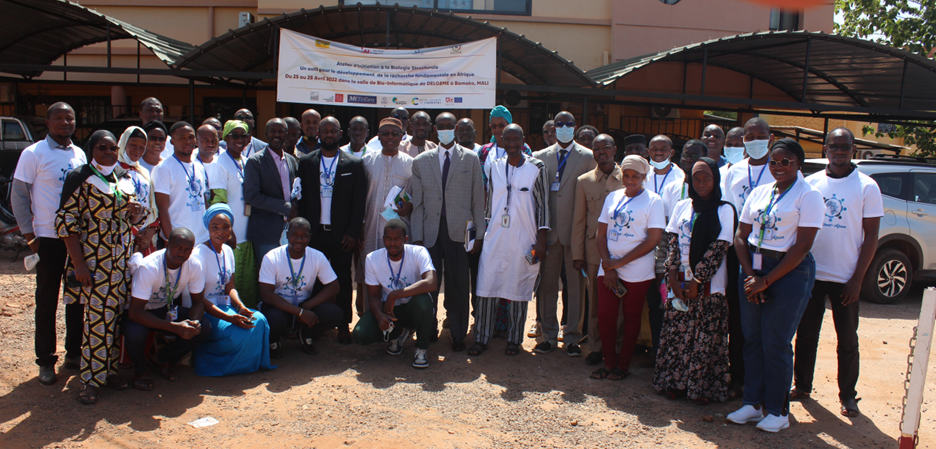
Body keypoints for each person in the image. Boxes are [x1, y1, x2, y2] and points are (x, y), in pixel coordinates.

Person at [727, 138, 823, 433]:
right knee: (752, 337)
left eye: (786, 162)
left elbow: (803, 245)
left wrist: (767, 280)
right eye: (774, 162)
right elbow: (741, 236)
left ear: (799, 164)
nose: (779, 166)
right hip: (755, 268)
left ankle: (778, 411)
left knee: (776, 341)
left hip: (789, 272)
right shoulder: (759, 192)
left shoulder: (808, 196)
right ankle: (752, 404)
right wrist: (751, 276)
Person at [792, 128, 883, 418]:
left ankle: (848, 396)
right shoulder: (812, 182)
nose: (839, 151)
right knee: (806, 335)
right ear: (826, 148)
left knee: (847, 340)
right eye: (834, 146)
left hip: (846, 277)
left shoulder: (867, 187)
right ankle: (802, 386)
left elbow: (871, 238)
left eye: (845, 147)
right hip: (811, 274)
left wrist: (858, 279)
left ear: (853, 149)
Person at [56, 130, 143, 403]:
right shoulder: (81, 179)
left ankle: (109, 372)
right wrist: (79, 265)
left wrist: (135, 213)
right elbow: (65, 224)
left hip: (120, 263)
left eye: (113, 148)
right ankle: (89, 381)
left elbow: (127, 219)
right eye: (102, 148)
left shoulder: (122, 178)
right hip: (94, 264)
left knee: (115, 319)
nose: (108, 152)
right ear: (92, 149)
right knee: (96, 322)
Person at [11, 102, 87, 385]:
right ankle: (45, 361)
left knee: (76, 299)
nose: (65, 123)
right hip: (47, 239)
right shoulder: (33, 154)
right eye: (59, 118)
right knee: (46, 301)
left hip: (76, 241)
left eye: (70, 118)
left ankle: (73, 354)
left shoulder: (79, 153)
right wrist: (30, 237)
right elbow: (18, 197)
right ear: (48, 122)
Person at [653, 156, 736, 404]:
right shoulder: (682, 206)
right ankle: (675, 384)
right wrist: (672, 277)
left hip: (709, 287)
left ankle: (700, 388)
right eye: (696, 178)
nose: (701, 183)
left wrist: (697, 281)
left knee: (704, 337)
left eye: (706, 178)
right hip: (679, 284)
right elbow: (673, 244)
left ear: (715, 179)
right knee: (678, 335)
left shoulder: (725, 210)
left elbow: (718, 249)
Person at [471, 124, 549, 357]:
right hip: (495, 238)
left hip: (524, 240)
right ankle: (481, 337)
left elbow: (543, 205)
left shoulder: (537, 167)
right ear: (501, 141)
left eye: (516, 139)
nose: (512, 144)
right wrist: (482, 234)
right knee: (486, 286)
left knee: (518, 286)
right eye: (508, 140)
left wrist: (541, 240)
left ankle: (514, 340)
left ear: (523, 140)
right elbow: (490, 204)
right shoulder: (494, 167)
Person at [411, 112, 486, 352]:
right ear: (435, 129)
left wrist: (478, 236)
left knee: (459, 285)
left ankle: (457, 333)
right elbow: (418, 203)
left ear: (455, 129)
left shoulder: (471, 158)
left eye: (449, 126)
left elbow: (478, 200)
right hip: (430, 231)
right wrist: (417, 237)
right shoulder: (421, 161)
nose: (445, 129)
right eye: (441, 126)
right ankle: (428, 328)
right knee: (429, 283)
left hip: (459, 231)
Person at [590, 155, 664, 381]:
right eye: (627, 175)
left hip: (637, 270)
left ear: (644, 177)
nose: (630, 180)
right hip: (609, 267)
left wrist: (618, 263)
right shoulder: (612, 197)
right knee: (605, 315)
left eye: (636, 176)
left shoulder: (654, 201)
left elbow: (653, 240)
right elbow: (600, 234)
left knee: (631, 317)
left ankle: (623, 365)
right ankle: (608, 362)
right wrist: (609, 266)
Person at [296, 116, 368, 345]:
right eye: (324, 131)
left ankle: (344, 324)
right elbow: (302, 198)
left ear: (340, 134)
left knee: (343, 280)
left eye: (333, 131)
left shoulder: (353, 164)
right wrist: (304, 233)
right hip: (315, 234)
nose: (328, 135)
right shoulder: (306, 162)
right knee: (314, 280)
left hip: (342, 236)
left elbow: (359, 203)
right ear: (318, 133)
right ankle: (316, 324)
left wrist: (353, 232)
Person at [532, 111, 596, 356]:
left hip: (575, 232)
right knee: (547, 286)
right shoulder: (538, 157)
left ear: (575, 127)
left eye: (568, 124)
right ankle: (548, 334)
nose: (563, 128)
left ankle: (572, 337)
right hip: (548, 232)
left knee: (575, 286)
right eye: (559, 124)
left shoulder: (588, 157)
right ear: (553, 128)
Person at [721, 118, 776, 400]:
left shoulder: (780, 169)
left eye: (760, 135)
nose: (754, 140)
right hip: (737, 250)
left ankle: (768, 382)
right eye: (749, 136)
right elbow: (727, 209)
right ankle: (739, 378)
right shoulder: (733, 171)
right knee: (740, 315)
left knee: (769, 317)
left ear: (770, 137)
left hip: (769, 253)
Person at [190, 204, 276, 375]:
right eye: (215, 227)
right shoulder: (198, 255)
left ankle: (247, 366)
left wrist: (241, 307)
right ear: (208, 228)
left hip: (226, 307)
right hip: (206, 310)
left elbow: (230, 288)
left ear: (231, 229)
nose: (220, 232)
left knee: (258, 320)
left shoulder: (228, 251)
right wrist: (229, 318)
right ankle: (205, 360)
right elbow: (199, 299)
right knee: (234, 334)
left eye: (225, 227)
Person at [126, 227, 212, 390]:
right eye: (177, 248)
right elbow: (134, 312)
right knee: (135, 333)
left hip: (163, 309)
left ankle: (162, 359)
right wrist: (175, 328)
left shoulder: (194, 265)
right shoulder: (149, 267)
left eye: (187, 250)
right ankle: (140, 371)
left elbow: (198, 302)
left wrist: (192, 323)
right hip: (140, 312)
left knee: (204, 327)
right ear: (167, 245)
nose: (182, 253)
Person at [353, 219, 438, 368]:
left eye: (397, 239)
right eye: (389, 239)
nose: (392, 243)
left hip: (413, 309)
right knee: (360, 334)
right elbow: (373, 295)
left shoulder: (418, 252)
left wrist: (395, 294)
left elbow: (431, 282)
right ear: (383, 239)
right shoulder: (372, 259)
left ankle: (421, 348)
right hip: (390, 311)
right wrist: (380, 316)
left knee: (423, 301)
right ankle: (396, 335)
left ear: (405, 239)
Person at [571, 134, 625, 366]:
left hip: (623, 252)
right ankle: (595, 346)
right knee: (595, 303)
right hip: (594, 252)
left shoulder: (629, 178)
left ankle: (617, 346)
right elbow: (579, 221)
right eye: (597, 148)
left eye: (606, 148)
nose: (601, 152)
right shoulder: (584, 181)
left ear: (615, 150)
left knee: (620, 303)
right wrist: (577, 255)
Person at [259, 217, 342, 358]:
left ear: (309, 237)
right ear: (287, 235)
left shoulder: (317, 256)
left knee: (335, 314)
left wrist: (307, 306)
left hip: (304, 304)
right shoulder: (272, 257)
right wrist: (299, 312)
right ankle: (274, 340)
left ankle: (305, 333)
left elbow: (334, 287)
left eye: (304, 236)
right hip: (279, 306)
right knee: (270, 318)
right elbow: (266, 294)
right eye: (294, 235)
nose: (299, 240)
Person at [358, 118, 415, 302]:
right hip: (370, 229)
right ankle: (371, 317)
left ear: (401, 137)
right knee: (370, 273)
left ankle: (401, 321)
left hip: (399, 230)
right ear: (379, 136)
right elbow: (358, 197)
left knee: (399, 273)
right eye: (385, 133)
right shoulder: (366, 161)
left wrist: (410, 205)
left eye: (394, 134)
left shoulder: (411, 164)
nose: (390, 137)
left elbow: (415, 196)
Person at [215, 120, 260, 307]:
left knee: (248, 284)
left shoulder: (246, 161)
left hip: (248, 234)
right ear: (225, 138)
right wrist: (228, 231)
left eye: (244, 136)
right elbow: (218, 201)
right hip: (232, 236)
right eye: (235, 135)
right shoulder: (220, 163)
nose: (240, 140)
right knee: (231, 284)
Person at [244, 118, 299, 268]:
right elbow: (252, 196)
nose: (276, 134)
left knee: (287, 272)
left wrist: (294, 205)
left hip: (289, 229)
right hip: (265, 231)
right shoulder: (255, 161)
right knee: (268, 276)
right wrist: (286, 207)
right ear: (265, 134)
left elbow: (295, 189)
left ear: (286, 134)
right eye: (273, 131)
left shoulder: (291, 160)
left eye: (280, 131)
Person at [153, 121, 210, 245]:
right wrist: (170, 239)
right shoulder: (164, 168)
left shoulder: (199, 165)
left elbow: (204, 200)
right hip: (179, 238)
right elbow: (162, 208)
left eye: (191, 137)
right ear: (172, 141)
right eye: (182, 138)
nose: (188, 141)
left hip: (202, 237)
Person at [117, 126, 158, 255]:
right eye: (133, 145)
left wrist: (150, 231)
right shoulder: (113, 170)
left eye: (142, 147)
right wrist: (134, 230)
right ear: (123, 143)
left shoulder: (143, 172)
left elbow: (152, 205)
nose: (137, 150)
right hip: (121, 234)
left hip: (145, 236)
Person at [195, 123, 226, 203]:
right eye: (205, 140)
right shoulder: (190, 164)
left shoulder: (223, 163)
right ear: (196, 142)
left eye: (214, 140)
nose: (210, 144)